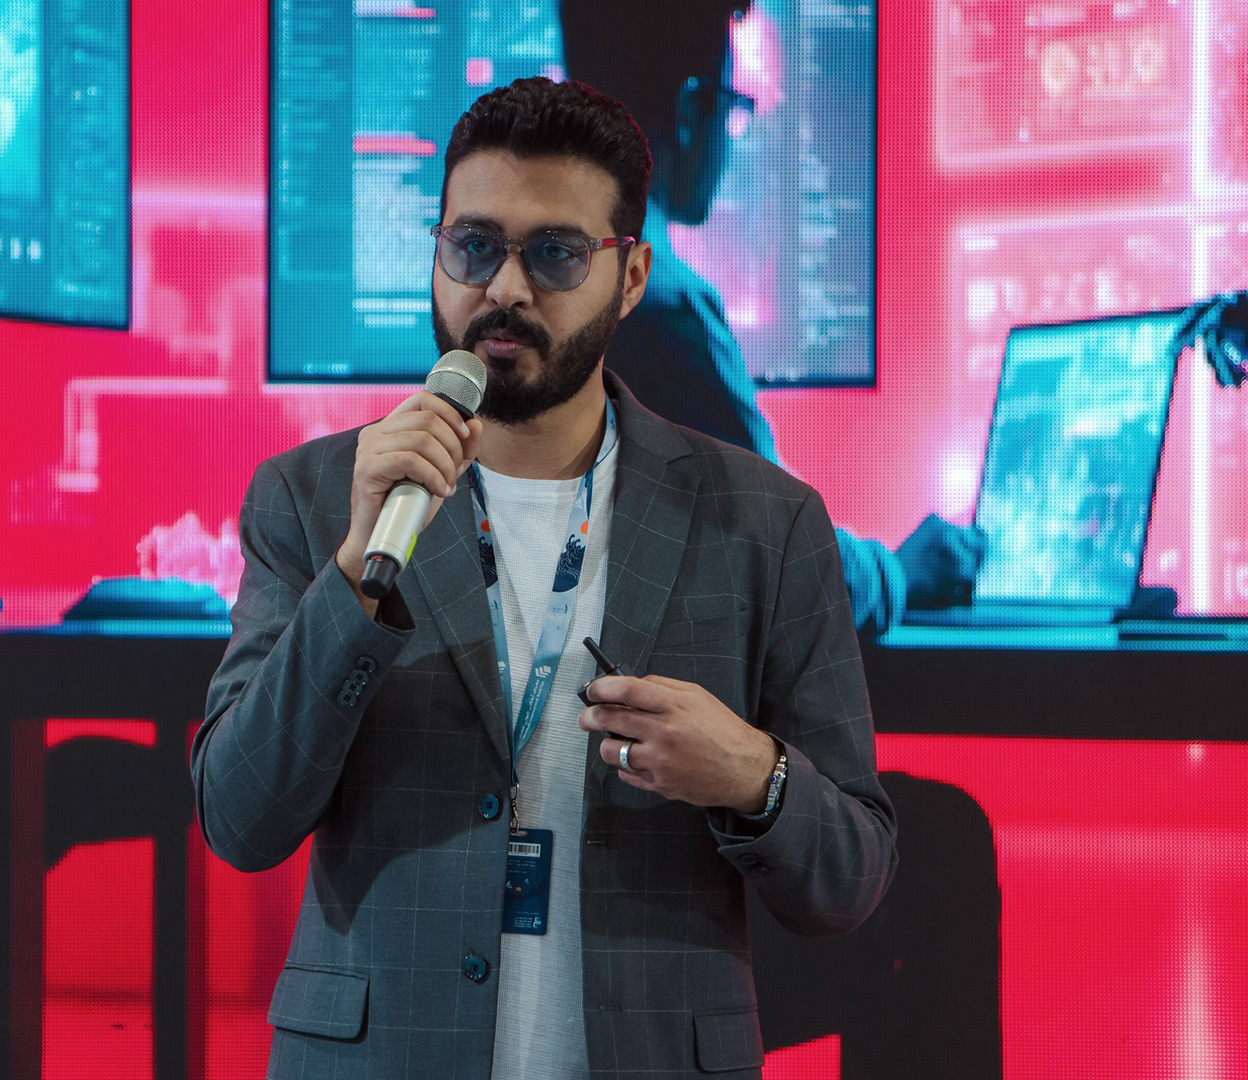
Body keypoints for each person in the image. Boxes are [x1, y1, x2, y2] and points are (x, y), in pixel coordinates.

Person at [192, 75, 896, 1079]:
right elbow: (239, 818)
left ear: (632, 274)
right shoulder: (314, 499)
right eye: (473, 246)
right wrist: (352, 578)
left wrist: (752, 774)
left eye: (555, 253)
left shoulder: (765, 523)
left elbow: (851, 878)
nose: (505, 289)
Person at [559, 0, 986, 634]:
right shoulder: (667, 314)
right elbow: (786, 569)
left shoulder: (541, 289)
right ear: (689, 112)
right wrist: (901, 572)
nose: (733, 139)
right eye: (734, 108)